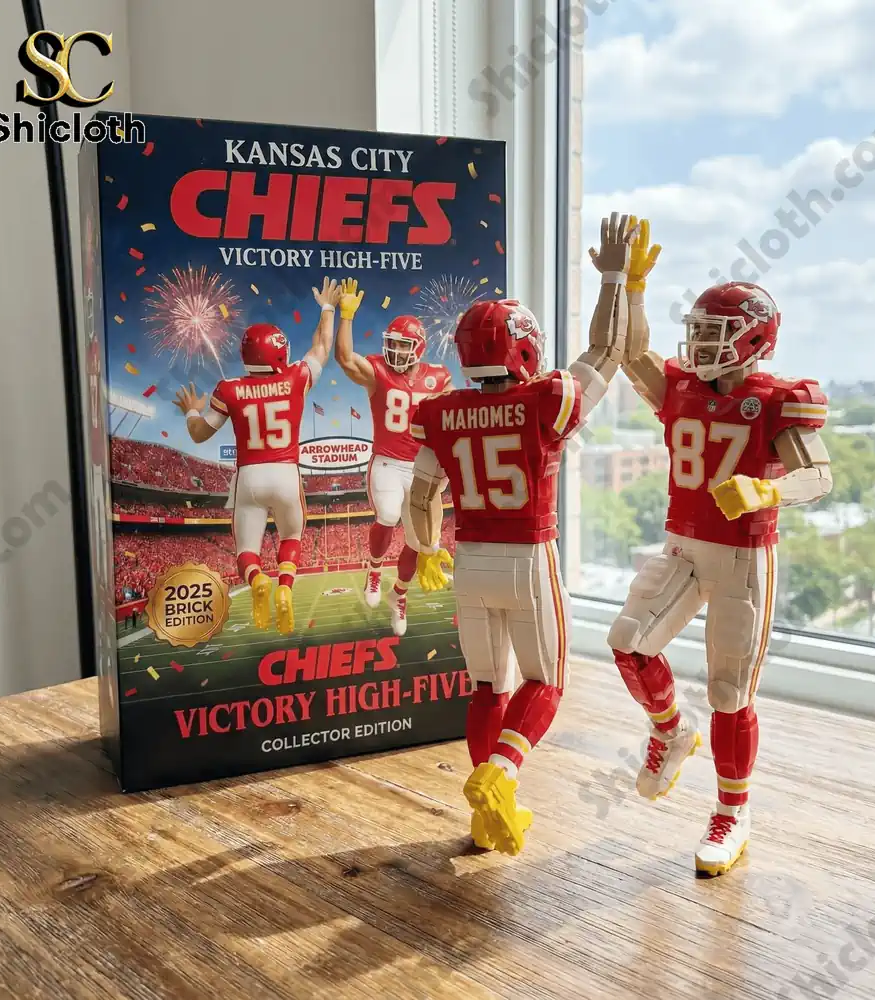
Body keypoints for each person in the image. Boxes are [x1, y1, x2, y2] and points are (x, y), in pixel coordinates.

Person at [409, 213, 655, 855]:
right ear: (523, 347)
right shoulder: (543, 399)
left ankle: (486, 811)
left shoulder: (439, 411)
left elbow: (419, 499)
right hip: (527, 557)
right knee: (544, 682)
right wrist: (611, 280)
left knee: (486, 685)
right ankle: (502, 774)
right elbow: (607, 351)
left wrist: (428, 548)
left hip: (468, 563)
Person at [610, 261, 833, 876]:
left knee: (729, 695)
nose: (702, 345)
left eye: (716, 333)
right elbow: (629, 351)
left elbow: (819, 475)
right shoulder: (681, 386)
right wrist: (628, 288)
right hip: (682, 544)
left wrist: (769, 493)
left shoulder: (776, 399)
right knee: (628, 643)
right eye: (699, 332)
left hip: (742, 556)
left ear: (756, 337)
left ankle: (733, 811)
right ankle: (671, 731)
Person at [174, 278, 339, 635]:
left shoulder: (229, 389)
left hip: (248, 478)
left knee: (246, 548)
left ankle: (257, 581)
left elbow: (201, 433)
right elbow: (322, 345)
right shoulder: (296, 377)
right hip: (285, 472)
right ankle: (283, 587)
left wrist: (190, 411)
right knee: (292, 536)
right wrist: (327, 307)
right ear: (279, 351)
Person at [334, 278, 451, 637]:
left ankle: (398, 594)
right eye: (392, 344)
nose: (394, 351)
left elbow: (452, 419)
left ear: (419, 348)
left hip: (421, 470)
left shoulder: (439, 378)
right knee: (386, 514)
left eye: (402, 345)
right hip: (386, 461)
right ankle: (374, 568)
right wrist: (347, 317)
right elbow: (344, 358)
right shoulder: (379, 373)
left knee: (420, 543)